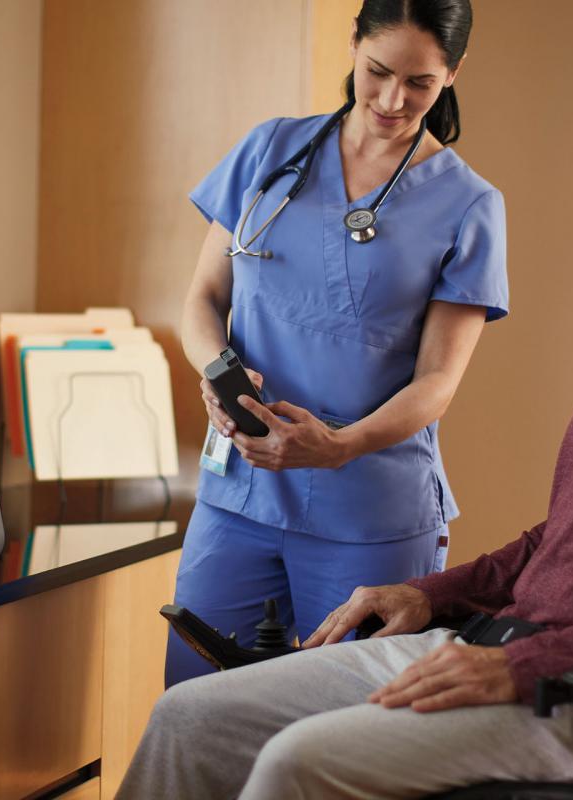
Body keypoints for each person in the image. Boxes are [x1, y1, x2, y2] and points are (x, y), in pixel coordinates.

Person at [120, 77, 573, 798]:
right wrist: (429, 593)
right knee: (192, 715)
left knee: (298, 762)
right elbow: (569, 538)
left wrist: (526, 666)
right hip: (507, 649)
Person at [170, 0, 509, 686]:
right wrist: (217, 369)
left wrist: (340, 446)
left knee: (343, 725)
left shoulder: (469, 205)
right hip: (239, 496)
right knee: (196, 705)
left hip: (369, 511)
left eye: (420, 83)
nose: (393, 99)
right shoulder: (270, 151)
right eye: (377, 71)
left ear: (454, 72)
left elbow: (437, 382)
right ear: (353, 43)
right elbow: (202, 302)